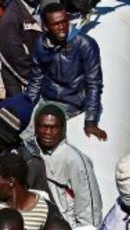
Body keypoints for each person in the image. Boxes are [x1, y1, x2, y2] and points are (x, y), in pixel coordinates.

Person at [27, 3, 106, 142]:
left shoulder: (85, 44)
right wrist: (27, 106)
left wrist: (90, 121)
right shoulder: (41, 43)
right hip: (46, 99)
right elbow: (35, 79)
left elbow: (94, 83)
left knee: (46, 133)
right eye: (56, 24)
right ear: (46, 27)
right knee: (23, 132)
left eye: (64, 22)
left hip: (71, 103)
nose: (62, 27)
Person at [28, 104, 102, 227]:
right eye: (43, 126)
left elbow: (88, 207)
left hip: (65, 228)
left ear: (63, 129)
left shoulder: (75, 160)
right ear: (36, 127)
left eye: (54, 128)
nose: (48, 132)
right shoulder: (28, 154)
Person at [0, 0, 42, 98]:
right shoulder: (11, 18)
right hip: (18, 82)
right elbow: (15, 57)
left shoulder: (36, 9)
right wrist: (36, 79)